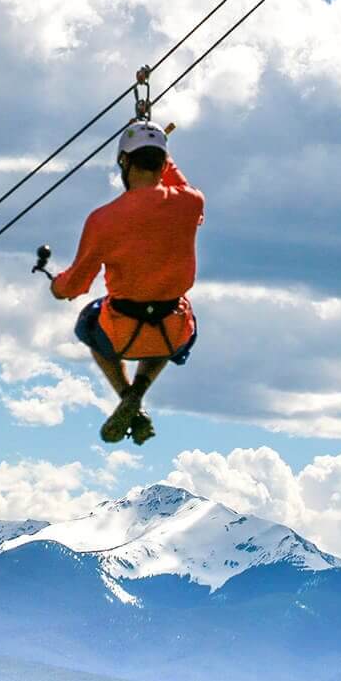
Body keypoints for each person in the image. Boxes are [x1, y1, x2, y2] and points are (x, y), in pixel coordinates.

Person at [48, 121, 204, 444]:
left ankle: (127, 397)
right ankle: (140, 390)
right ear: (162, 164)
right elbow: (181, 187)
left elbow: (75, 284)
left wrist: (57, 287)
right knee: (177, 310)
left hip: (121, 332)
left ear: (124, 162)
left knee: (87, 323)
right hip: (171, 331)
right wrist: (164, 153)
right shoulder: (190, 204)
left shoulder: (103, 220)